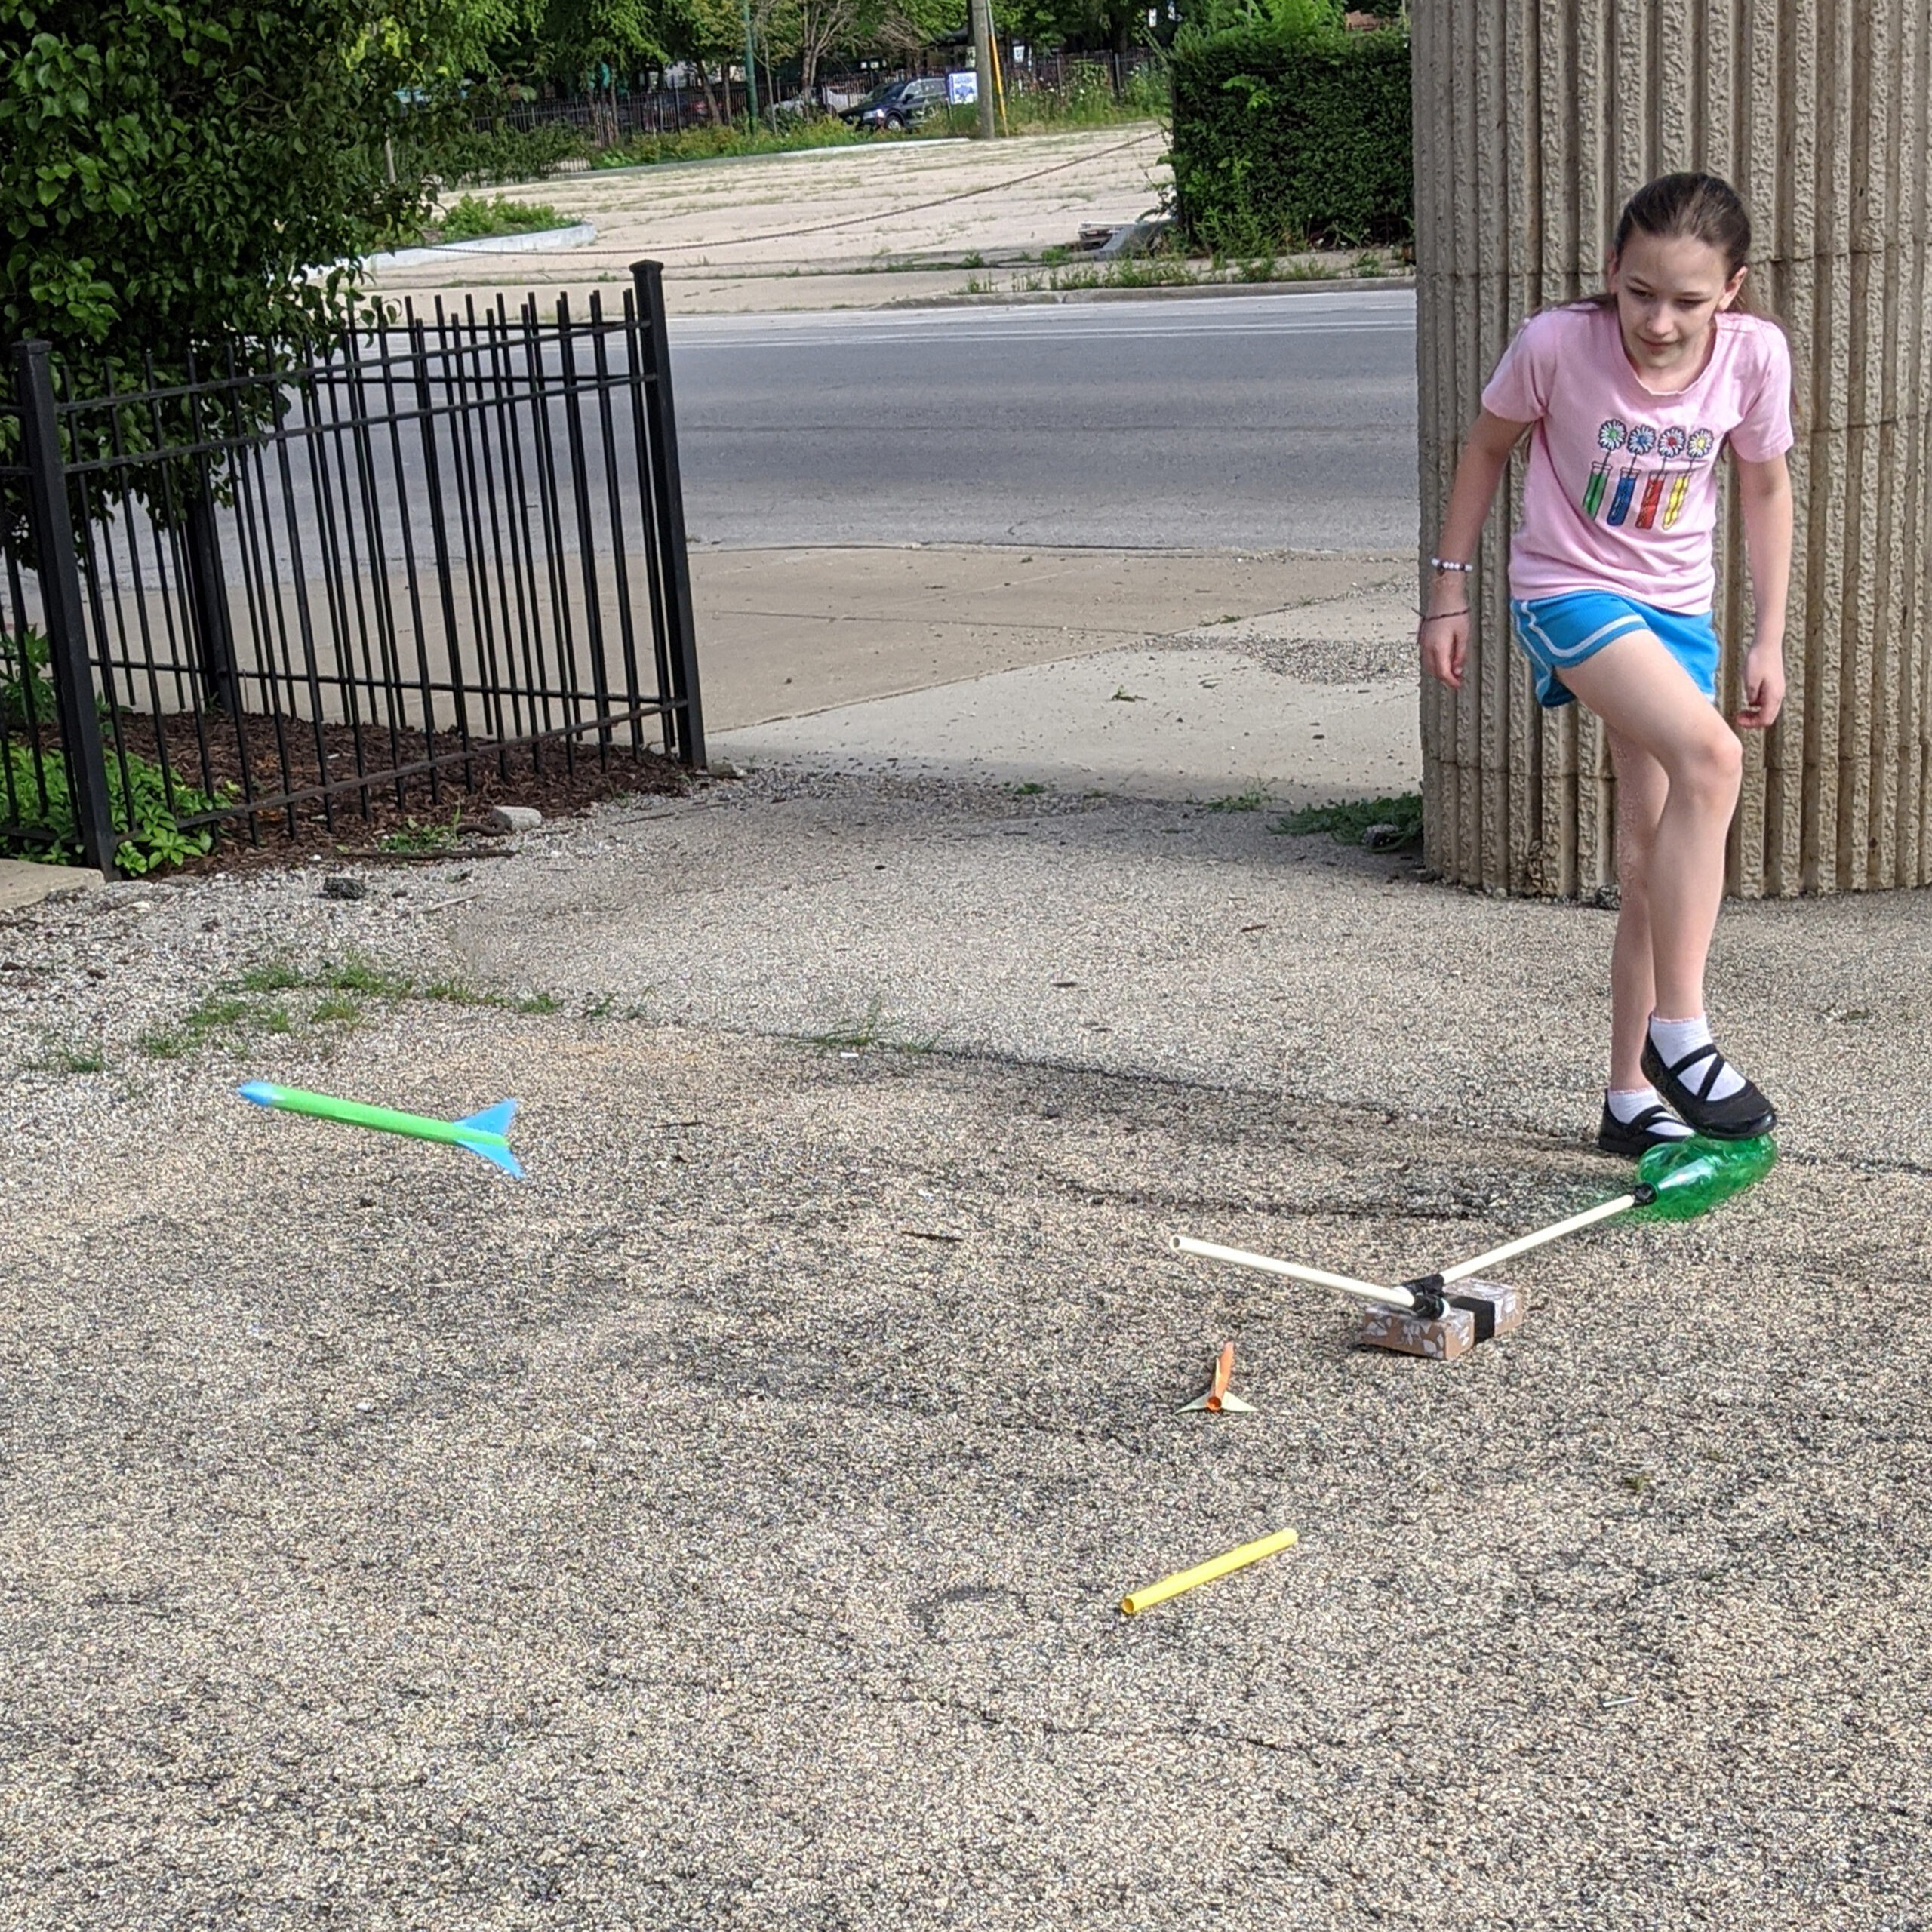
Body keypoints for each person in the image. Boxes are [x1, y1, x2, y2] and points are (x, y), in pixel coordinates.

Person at [1420, 172, 1793, 1155]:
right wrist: (1448, 593)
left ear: (1734, 290)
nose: (1660, 322)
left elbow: (1763, 487)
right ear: (1611, 274)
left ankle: (1629, 1097)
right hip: (1568, 591)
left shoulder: (1754, 358)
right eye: (1640, 294)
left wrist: (1768, 636)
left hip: (1678, 614)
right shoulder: (1557, 345)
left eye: (1688, 301)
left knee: (1649, 862)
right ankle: (1683, 1033)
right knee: (1714, 760)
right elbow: (1484, 451)